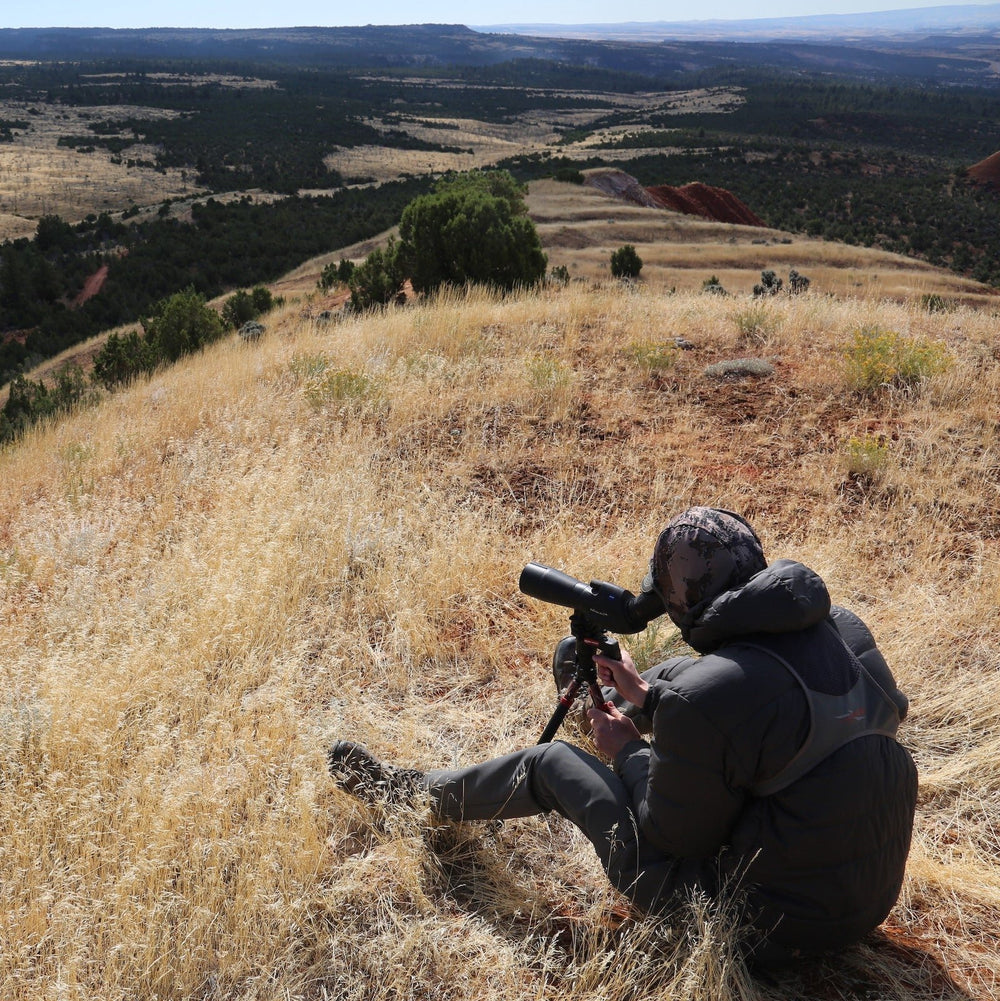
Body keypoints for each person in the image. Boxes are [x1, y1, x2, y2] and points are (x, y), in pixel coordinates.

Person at [328, 507, 918, 968]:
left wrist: (626, 749)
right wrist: (649, 697)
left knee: (552, 763)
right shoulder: (843, 631)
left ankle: (401, 793)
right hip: (863, 902)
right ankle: (616, 698)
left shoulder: (707, 696)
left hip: (760, 931)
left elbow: (673, 837)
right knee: (671, 686)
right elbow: (769, 712)